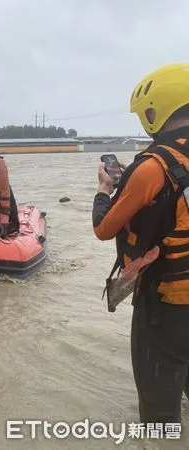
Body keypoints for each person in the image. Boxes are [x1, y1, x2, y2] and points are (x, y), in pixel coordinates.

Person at [92, 63, 189, 429]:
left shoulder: (151, 168)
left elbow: (105, 228)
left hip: (169, 306)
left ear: (158, 110)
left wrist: (105, 190)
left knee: (159, 421)